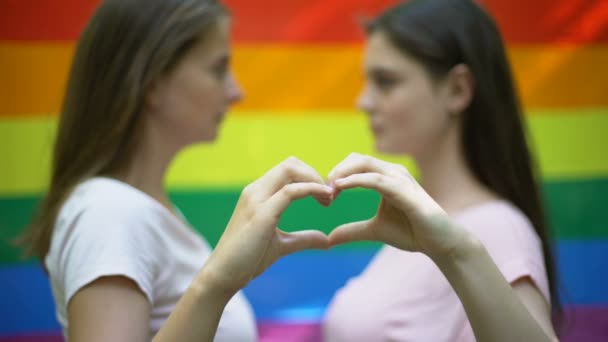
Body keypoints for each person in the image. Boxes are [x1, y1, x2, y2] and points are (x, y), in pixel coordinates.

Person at [19, 0, 332, 341]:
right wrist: (217, 281)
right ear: (151, 81)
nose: (235, 91)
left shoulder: (138, 210)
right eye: (217, 68)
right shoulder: (111, 212)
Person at [322, 0, 560, 341]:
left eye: (386, 81)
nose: (364, 101)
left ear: (457, 89)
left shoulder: (498, 228)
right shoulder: (415, 220)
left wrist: (458, 252)